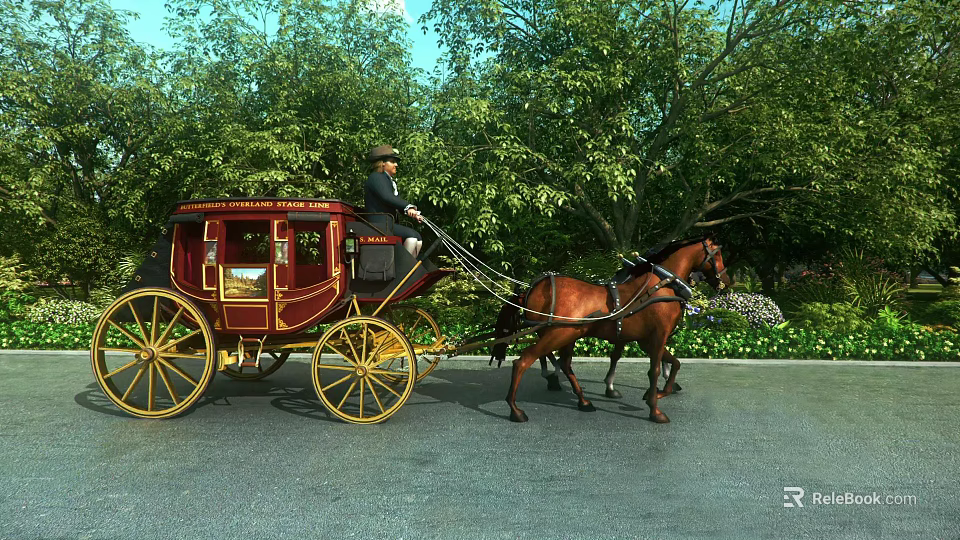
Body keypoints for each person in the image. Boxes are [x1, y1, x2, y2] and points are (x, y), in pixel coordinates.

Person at [364, 144, 424, 257]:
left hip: (388, 223)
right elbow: (387, 197)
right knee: (412, 236)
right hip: (379, 224)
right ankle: (402, 270)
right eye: (392, 161)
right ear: (382, 163)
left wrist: (412, 213)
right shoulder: (376, 177)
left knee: (418, 238)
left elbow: (394, 202)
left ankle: (409, 267)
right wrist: (408, 206)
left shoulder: (387, 180)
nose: (396, 165)